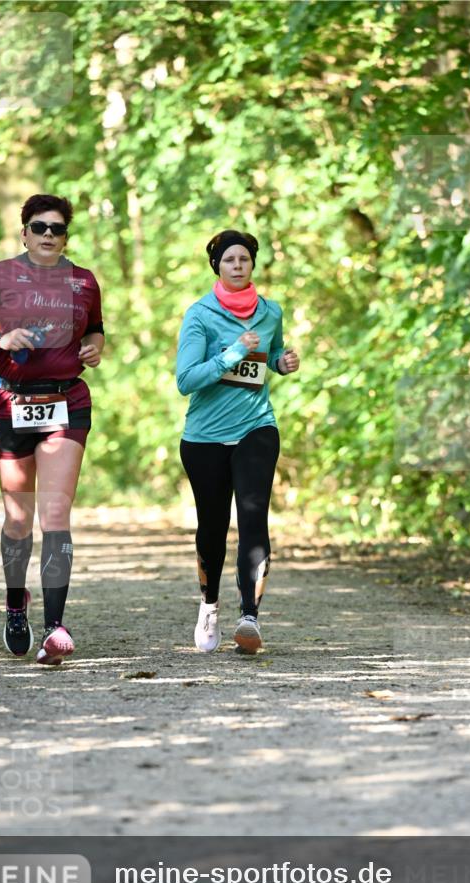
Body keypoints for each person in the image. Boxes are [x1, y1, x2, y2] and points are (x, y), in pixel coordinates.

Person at [0, 194, 104, 664]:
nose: (48, 237)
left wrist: (95, 348)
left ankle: (54, 627)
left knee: (54, 516)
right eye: (39, 228)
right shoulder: (0, 275)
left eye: (57, 229)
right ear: (24, 233)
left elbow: (96, 329)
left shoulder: (83, 281)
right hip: (8, 403)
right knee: (19, 520)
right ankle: (16, 603)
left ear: (66, 236)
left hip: (65, 401)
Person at [176, 229, 300, 653]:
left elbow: (273, 356)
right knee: (212, 529)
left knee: (253, 518)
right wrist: (230, 353)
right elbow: (185, 380)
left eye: (244, 259)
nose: (237, 266)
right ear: (217, 266)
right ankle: (209, 605)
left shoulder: (270, 312)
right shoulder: (199, 315)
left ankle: (249, 616)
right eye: (229, 260)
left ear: (253, 264)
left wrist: (283, 363)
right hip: (205, 437)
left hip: (256, 427)